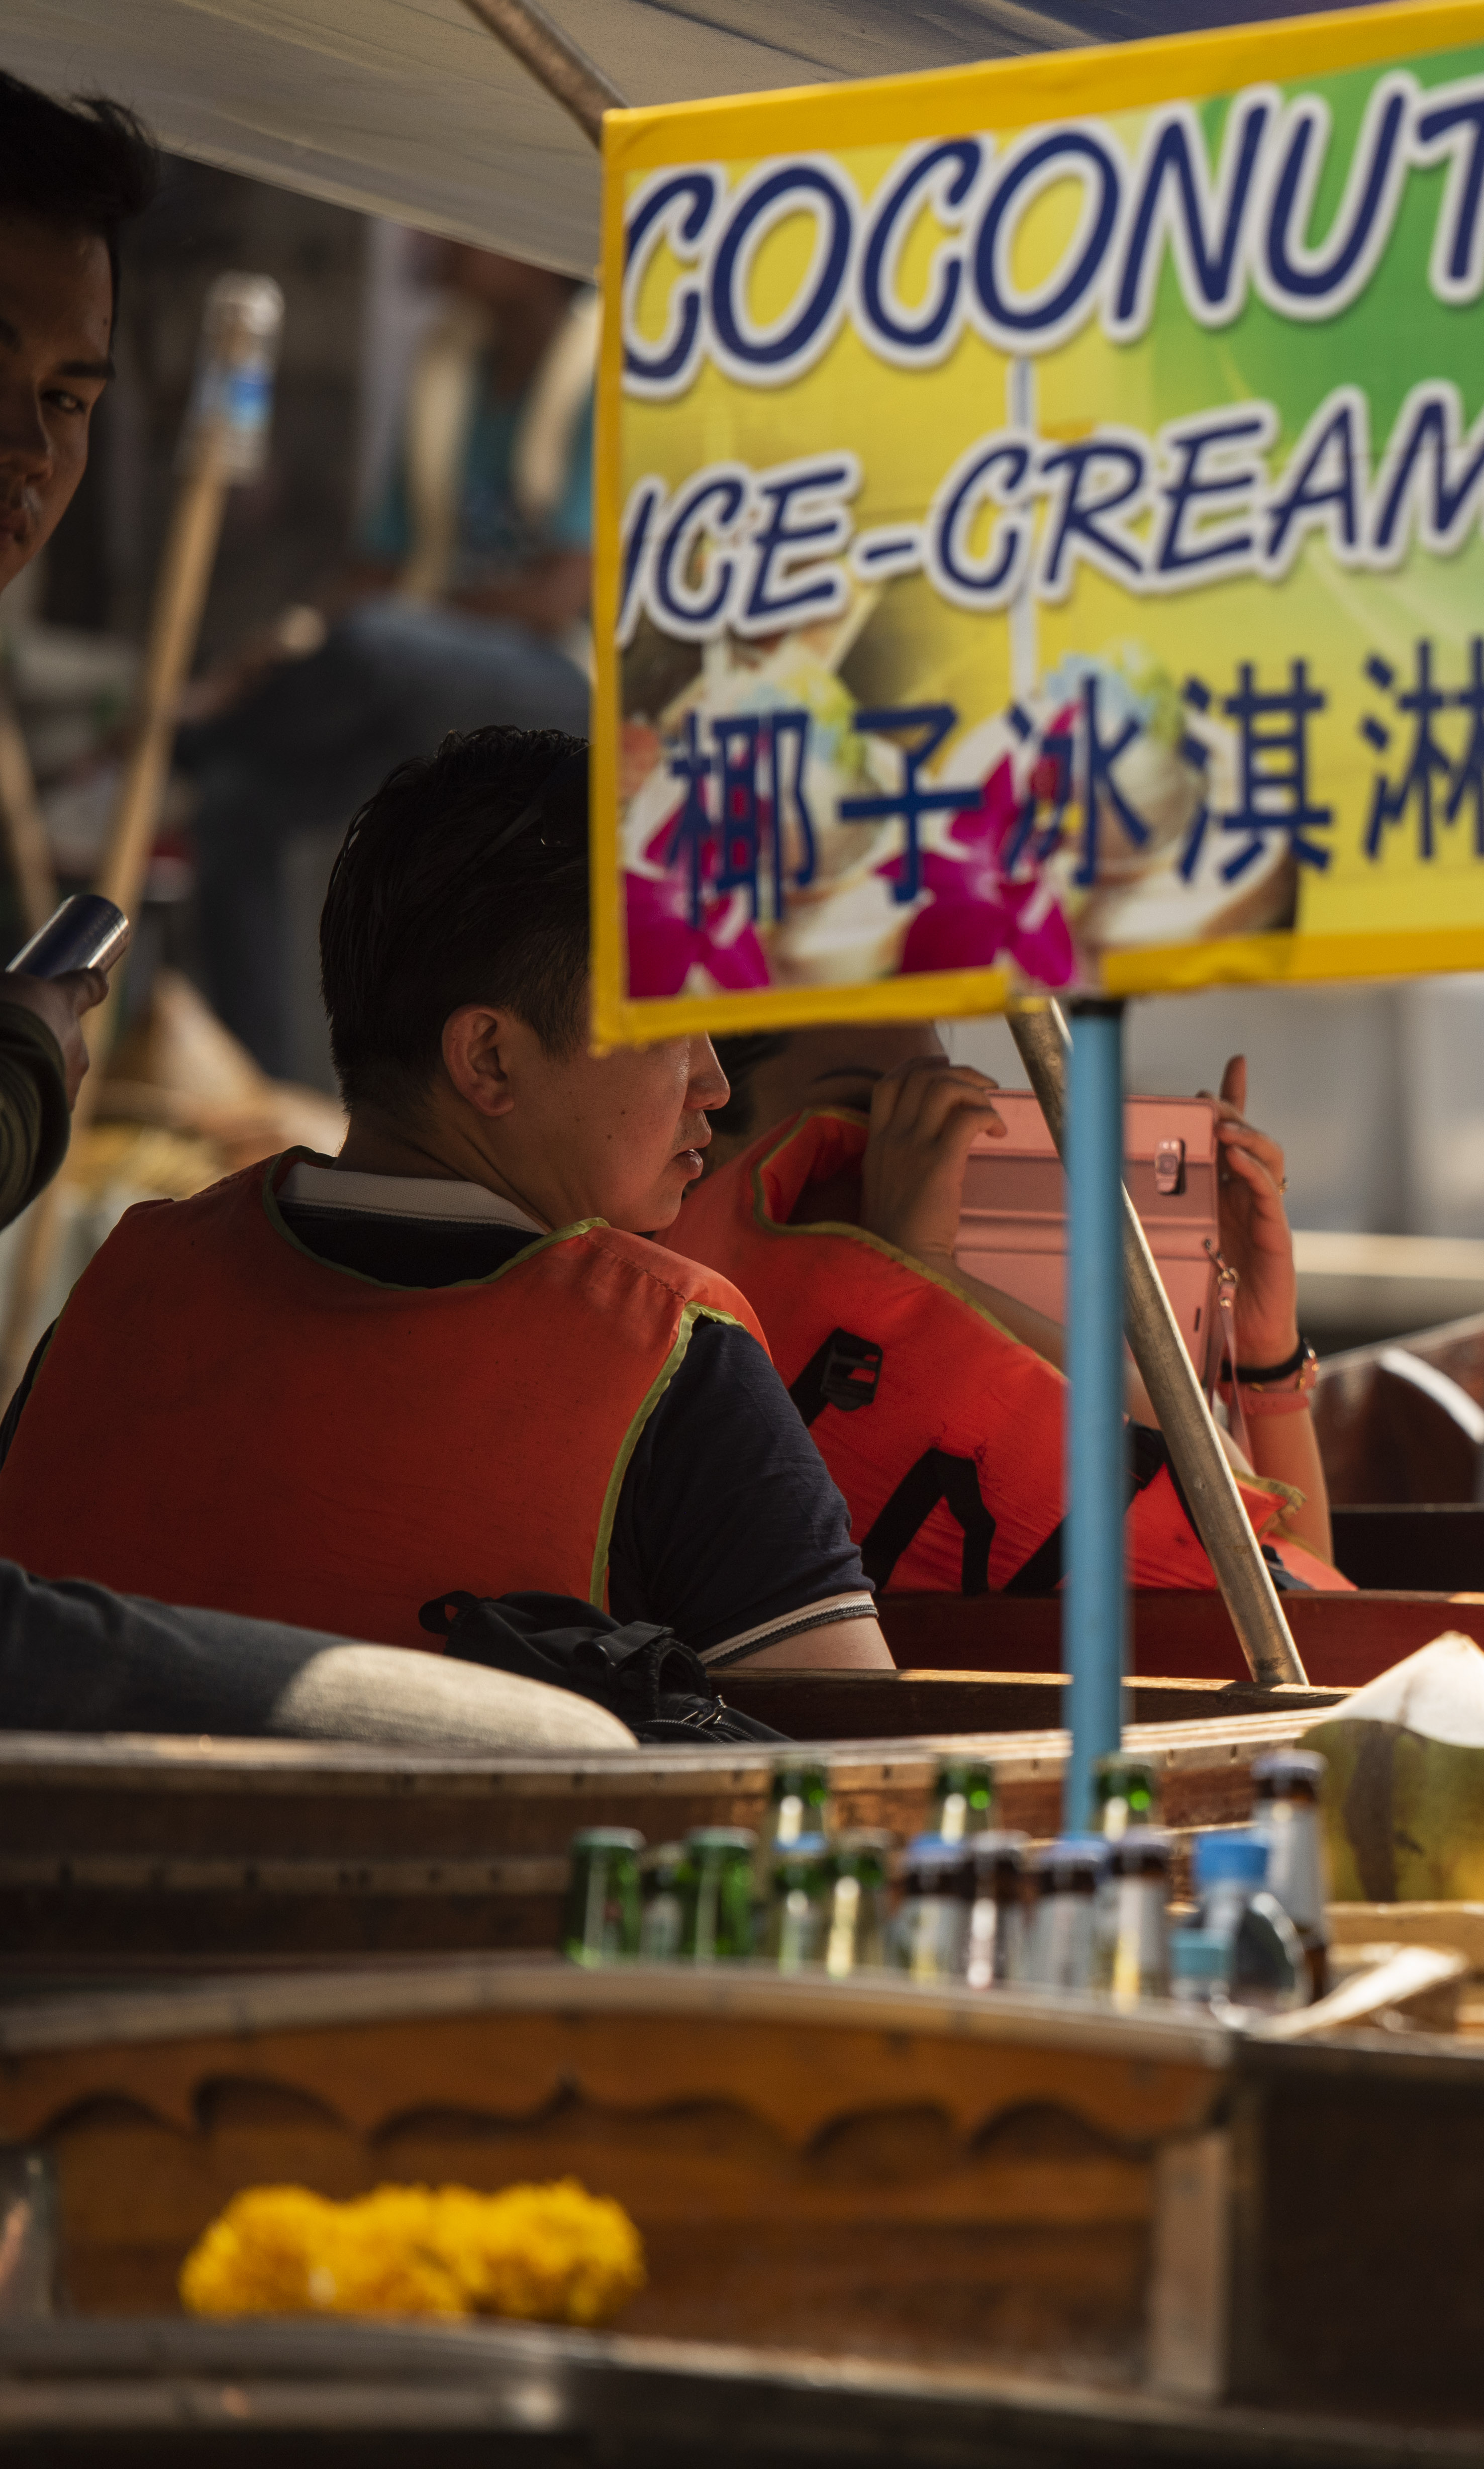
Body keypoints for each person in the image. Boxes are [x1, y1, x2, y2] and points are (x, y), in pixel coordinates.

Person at [0, 74, 625, 1747]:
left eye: (65, 400)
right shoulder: (442, 381)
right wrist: (233, 679)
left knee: (341, 668)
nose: (32, 456)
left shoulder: (585, 365)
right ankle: (300, 1058)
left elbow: (573, 583)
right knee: (246, 758)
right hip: (397, 650)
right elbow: (368, 571)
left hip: (526, 678)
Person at [0, 724, 892, 1673]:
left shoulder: (130, 1277)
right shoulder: (674, 1356)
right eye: (675, 1025)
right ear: (489, 1058)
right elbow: (843, 1774)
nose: (714, 1082)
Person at [677, 1025, 1484, 1606]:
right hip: (1235, 1727)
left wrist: (1261, 1345)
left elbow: (1286, 1563)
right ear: (716, 1132)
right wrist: (916, 1277)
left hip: (1290, 1669)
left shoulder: (956, 1299)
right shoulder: (736, 1366)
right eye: (874, 1112)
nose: (925, 1143)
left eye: (945, 1099)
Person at [178, 242, 596, 1076]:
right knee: (234, 806)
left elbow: (559, 594)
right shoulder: (452, 365)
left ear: (537, 252)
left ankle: (187, 741)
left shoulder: (603, 373)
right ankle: (261, 1089)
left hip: (565, 682)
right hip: (420, 678)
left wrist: (359, 633)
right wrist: (288, 644)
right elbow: (374, 567)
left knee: (374, 646)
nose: (435, 237)